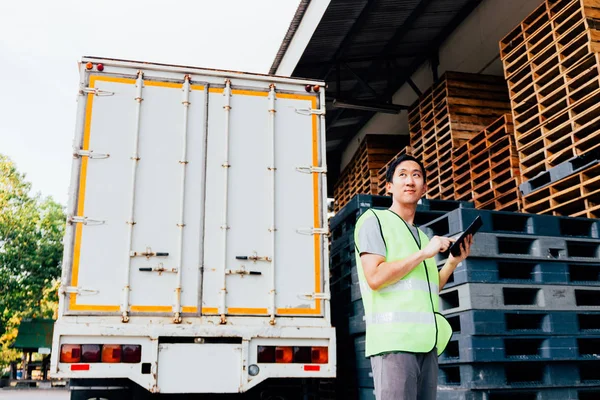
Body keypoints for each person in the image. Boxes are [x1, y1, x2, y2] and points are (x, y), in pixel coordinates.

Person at [353, 154, 473, 400]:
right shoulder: (374, 220)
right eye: (403, 175)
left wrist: (452, 262)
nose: (410, 181)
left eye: (416, 175)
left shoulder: (422, 235)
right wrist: (424, 253)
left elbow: (428, 290)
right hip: (395, 345)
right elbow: (374, 277)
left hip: (426, 345)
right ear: (389, 187)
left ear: (424, 188)